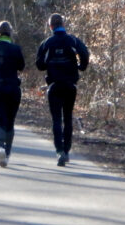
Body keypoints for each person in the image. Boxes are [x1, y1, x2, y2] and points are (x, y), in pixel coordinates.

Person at [35, 13, 90, 167]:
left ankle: (59, 151)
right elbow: (85, 54)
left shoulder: (47, 42)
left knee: (56, 120)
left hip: (54, 85)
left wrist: (50, 64)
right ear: (63, 24)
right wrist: (81, 67)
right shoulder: (72, 40)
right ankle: (66, 151)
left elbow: (39, 64)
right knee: (68, 118)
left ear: (50, 26)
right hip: (70, 85)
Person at [0, 21, 25, 168]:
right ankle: (7, 154)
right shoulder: (16, 49)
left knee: (0, 121)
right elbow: (21, 66)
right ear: (10, 33)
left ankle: (0, 147)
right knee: (10, 122)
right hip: (13, 88)